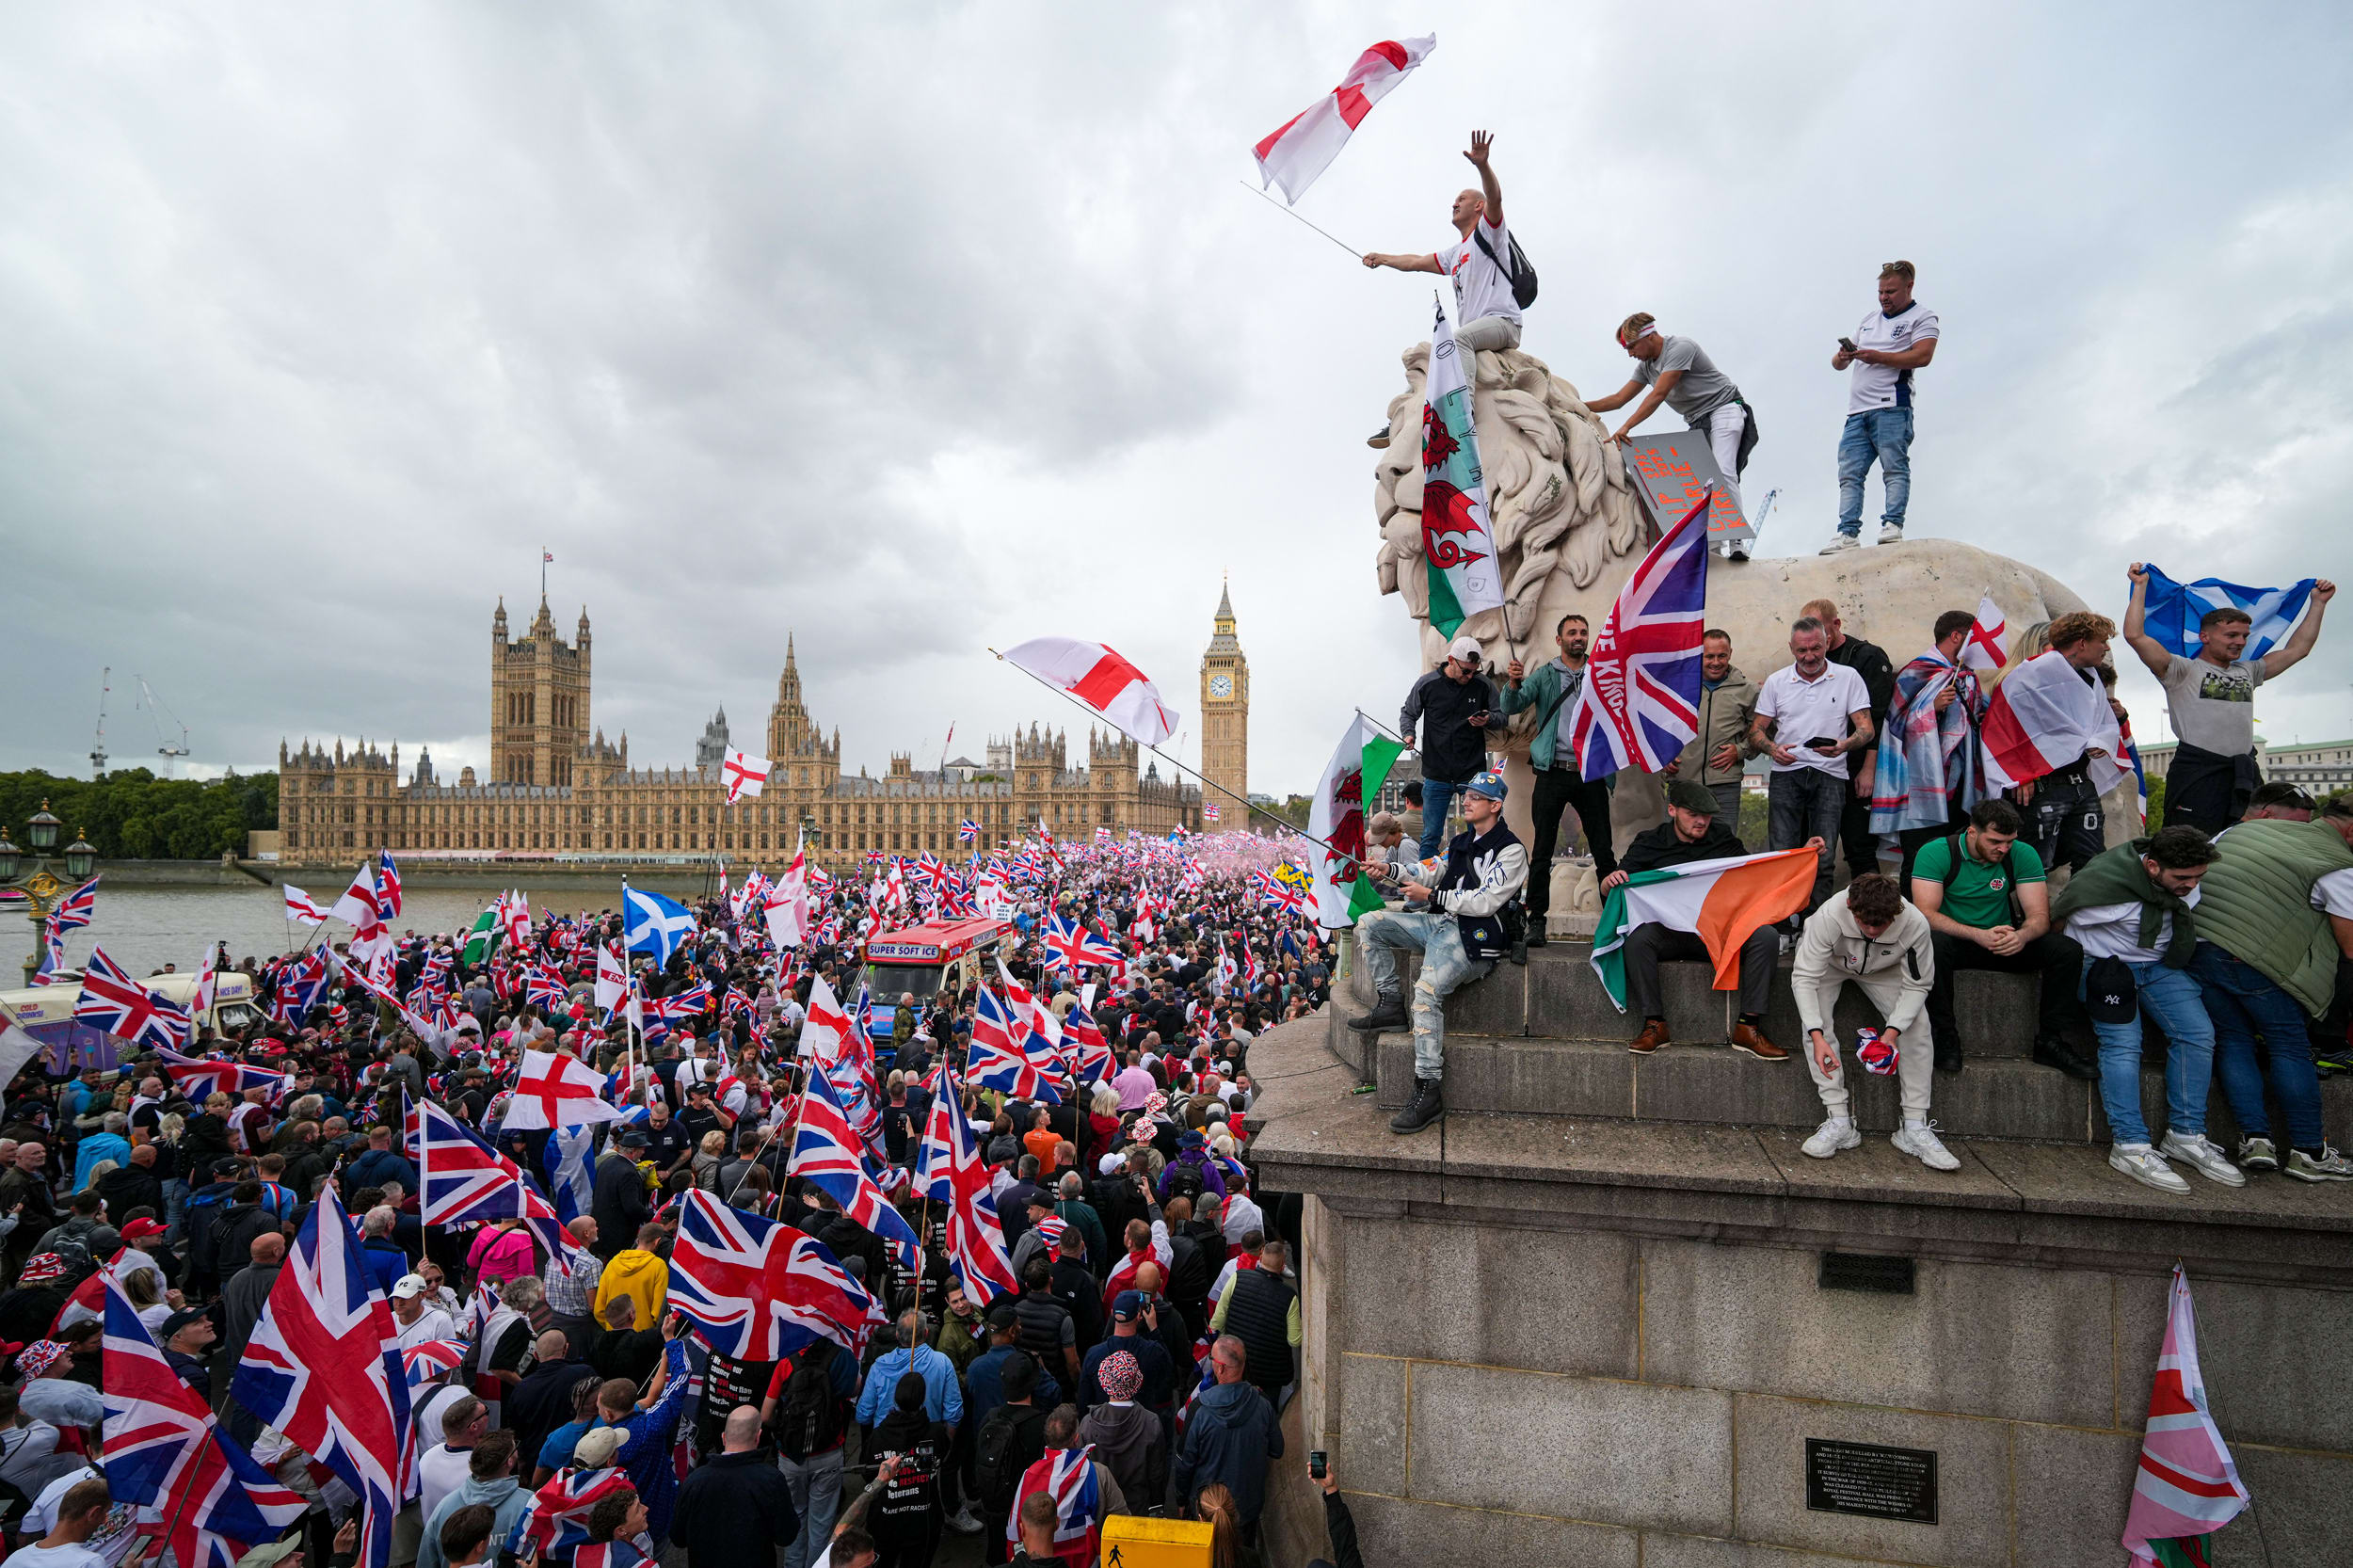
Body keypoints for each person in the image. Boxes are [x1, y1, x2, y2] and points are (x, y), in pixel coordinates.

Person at [2051, 826, 2241, 1194]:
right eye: (2183, 878)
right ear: (2152, 867)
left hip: (2158, 967)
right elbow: (2061, 920)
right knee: (2123, 1044)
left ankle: (2186, 1136)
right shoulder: (2104, 889)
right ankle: (2130, 1144)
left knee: (2198, 1034)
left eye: (2199, 877)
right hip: (2105, 965)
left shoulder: (2180, 880)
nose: (2191, 885)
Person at [1347, 770, 1529, 1136]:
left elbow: (1485, 901)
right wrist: (1389, 870)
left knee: (1427, 992)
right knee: (1369, 923)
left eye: (1476, 796)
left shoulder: (1511, 850)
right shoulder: (1461, 841)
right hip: (1441, 923)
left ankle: (1428, 1089)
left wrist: (1432, 897)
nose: (1467, 800)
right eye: (1466, 794)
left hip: (1474, 936)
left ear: (1495, 805)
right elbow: (1428, 869)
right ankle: (1389, 1004)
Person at [2189, 799, 2353, 1182]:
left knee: (2233, 1042)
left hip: (2200, 948)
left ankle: (2256, 1141)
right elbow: (2351, 947)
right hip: (2257, 963)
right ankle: (2309, 1152)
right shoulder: (2338, 865)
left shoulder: (2241, 829)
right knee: (2289, 1047)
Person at [2124, 564, 2335, 834]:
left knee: (2248, 841)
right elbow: (2135, 635)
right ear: (2205, 637)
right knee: (2190, 844)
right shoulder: (2181, 670)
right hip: (2198, 772)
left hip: (2243, 772)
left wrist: (2318, 604)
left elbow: (2298, 649)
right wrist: (2140, 586)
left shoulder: (2249, 670)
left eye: (2245, 636)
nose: (2240, 642)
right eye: (2231, 635)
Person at [1608, 780, 1799, 1061]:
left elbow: (1756, 874)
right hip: (1668, 934)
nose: (1701, 822)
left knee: (1766, 937)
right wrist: (1608, 881)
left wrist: (1800, 856)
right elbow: (1620, 883)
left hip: (1714, 932)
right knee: (1637, 941)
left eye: (1707, 815)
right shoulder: (1649, 841)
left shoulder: (1722, 838)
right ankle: (1654, 1024)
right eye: (1693, 814)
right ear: (1672, 810)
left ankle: (1749, 1027)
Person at [1913, 799, 2096, 1080]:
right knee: (1931, 944)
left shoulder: (2021, 854)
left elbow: (2039, 916)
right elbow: (1925, 914)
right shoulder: (1937, 851)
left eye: (2009, 842)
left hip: (2003, 940)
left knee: (2066, 950)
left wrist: (2022, 936)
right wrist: (1976, 934)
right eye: (1996, 841)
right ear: (1972, 832)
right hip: (1958, 941)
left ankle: (2050, 1040)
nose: (2003, 849)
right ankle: (1944, 1036)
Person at [1362, 127, 1524, 444]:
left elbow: (1496, 198)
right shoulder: (1455, 254)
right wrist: (1381, 257)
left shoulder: (1489, 233)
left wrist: (1482, 166)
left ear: (1478, 207)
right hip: (1477, 329)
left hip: (1503, 323)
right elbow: (1416, 261)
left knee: (1455, 341)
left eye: (1461, 199)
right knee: (1434, 354)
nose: (1454, 204)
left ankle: (1462, 414)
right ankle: (1403, 418)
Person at [1791, 872, 1957, 1171]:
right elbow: (1804, 977)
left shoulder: (1915, 923)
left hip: (1885, 969)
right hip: (1832, 963)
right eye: (1864, 923)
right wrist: (1817, 1037)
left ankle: (1914, 1126)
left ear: (1895, 913)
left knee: (1918, 1026)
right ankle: (1840, 1120)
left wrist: (1892, 1033)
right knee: (1812, 1022)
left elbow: (1919, 985)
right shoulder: (1829, 914)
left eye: (1879, 925)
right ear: (1851, 906)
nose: (1870, 931)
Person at [1585, 313, 1758, 552]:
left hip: (1724, 409)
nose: (1630, 353)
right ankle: (1714, 545)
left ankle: (1736, 539)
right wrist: (1574, 404)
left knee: (1723, 470)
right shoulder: (1645, 368)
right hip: (1698, 421)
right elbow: (1618, 399)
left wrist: (1626, 426)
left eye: (1632, 346)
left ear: (1651, 337)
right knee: (1702, 482)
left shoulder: (1680, 348)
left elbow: (1658, 394)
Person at [1499, 615, 1616, 945]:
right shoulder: (1545, 676)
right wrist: (1513, 683)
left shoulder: (1600, 673)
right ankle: (1537, 920)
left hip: (1590, 772)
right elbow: (1512, 705)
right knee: (1542, 851)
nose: (1579, 637)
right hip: (1553, 771)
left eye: (1583, 632)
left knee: (1603, 849)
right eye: (1572, 633)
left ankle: (1612, 920)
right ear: (1559, 639)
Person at [1751, 617, 1876, 917]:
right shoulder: (1777, 681)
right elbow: (1756, 731)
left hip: (1830, 774)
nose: (1809, 656)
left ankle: (1814, 924)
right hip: (1786, 773)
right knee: (1781, 853)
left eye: (1816, 648)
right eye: (1802, 650)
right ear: (1791, 648)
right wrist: (1772, 749)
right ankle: (1781, 923)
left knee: (1824, 854)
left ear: (1828, 644)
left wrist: (1843, 745)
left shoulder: (1848, 677)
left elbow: (1867, 729)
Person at [1822, 260, 1940, 552]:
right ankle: (1847, 532)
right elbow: (1836, 365)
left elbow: (1923, 356)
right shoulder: (1868, 320)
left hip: (1892, 406)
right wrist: (1843, 357)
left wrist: (1879, 357)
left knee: (1894, 467)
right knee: (1849, 473)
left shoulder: (1923, 317)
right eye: (1881, 292)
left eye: (1891, 291)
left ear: (1909, 287)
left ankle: (1893, 524)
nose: (1884, 297)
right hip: (1856, 411)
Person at [1870, 610, 1993, 883]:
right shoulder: (1917, 671)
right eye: (1973, 639)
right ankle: (1915, 921)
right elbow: (1895, 724)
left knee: (1954, 857)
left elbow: (1983, 717)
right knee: (1919, 858)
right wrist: (1932, 707)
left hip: (1959, 781)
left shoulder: (1968, 677)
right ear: (1956, 636)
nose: (1977, 646)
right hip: (1919, 784)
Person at [2011, 613, 2122, 873]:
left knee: (2092, 860)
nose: (2106, 648)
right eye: (2102, 641)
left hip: (2080, 784)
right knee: (2034, 863)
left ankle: (2083, 914)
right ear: (2082, 643)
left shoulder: (2092, 677)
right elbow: (2008, 728)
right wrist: (2021, 773)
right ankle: (2026, 913)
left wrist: (2101, 741)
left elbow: (2100, 722)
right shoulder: (2030, 674)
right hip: (2043, 785)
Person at [760, 1324, 860, 1568]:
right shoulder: (842, 1357)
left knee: (795, 1516)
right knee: (822, 1524)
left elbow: (764, 1415)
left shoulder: (786, 1360)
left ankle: (793, 1565)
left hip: (791, 1456)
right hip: (828, 1452)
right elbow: (855, 1389)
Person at [1395, 636, 1500, 859]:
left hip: (1472, 773)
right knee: (1431, 836)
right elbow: (1408, 712)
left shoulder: (1483, 685)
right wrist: (1408, 733)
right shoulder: (1427, 683)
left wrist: (1488, 719)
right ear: (1451, 660)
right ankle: (1422, 889)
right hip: (1436, 772)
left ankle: (1476, 883)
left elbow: (1503, 716)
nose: (1470, 676)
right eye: (1465, 671)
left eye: (1474, 671)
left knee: (1479, 832)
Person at [1171, 1336, 1283, 1533]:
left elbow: (1185, 1462)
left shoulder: (1200, 1409)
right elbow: (1277, 1449)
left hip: (1207, 1509)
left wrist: (1181, 1499)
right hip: (1247, 1507)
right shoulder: (1262, 1404)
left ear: (1221, 1368)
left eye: (1212, 1359)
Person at [673, 1406, 801, 1568]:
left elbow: (678, 1538)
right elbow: (786, 1536)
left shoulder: (694, 1481)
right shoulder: (771, 1480)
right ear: (758, 1436)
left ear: (723, 1438)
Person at [1663, 630, 1758, 821]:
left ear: (1730, 653)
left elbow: (1762, 733)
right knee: (1679, 848)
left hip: (1724, 786)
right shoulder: (1677, 687)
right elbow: (1657, 726)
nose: (1716, 662)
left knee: (1722, 846)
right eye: (1710, 656)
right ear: (1700, 654)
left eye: (1721, 656)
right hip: (1683, 783)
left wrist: (1740, 751)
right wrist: (1662, 756)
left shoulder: (1748, 690)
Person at [865, 1374, 951, 1568]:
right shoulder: (935, 1432)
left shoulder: (879, 1436)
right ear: (922, 1399)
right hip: (922, 1523)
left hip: (888, 1522)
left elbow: (869, 1476)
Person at [1209, 1239, 1299, 1411]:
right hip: (1272, 1374)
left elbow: (1217, 1322)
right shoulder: (1290, 1297)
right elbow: (1294, 1340)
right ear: (1282, 1268)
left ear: (1260, 1259)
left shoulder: (1238, 1277)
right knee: (1266, 1413)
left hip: (1238, 1366)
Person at [417, 1432, 530, 1568]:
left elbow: (426, 1560)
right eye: (515, 1447)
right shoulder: (529, 1504)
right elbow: (531, 1558)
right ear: (509, 1462)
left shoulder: (445, 1507)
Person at [1075, 1349, 1166, 1512]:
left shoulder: (1088, 1424)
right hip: (1138, 1508)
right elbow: (1156, 1473)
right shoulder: (1151, 1422)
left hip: (1101, 1509)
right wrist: (1158, 1506)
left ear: (1105, 1382)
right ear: (1136, 1382)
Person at [10, 1475, 117, 1568]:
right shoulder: (88, 1562)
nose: (104, 1521)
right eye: (106, 1513)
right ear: (94, 1513)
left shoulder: (16, 1558)